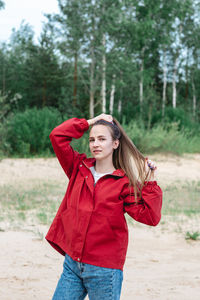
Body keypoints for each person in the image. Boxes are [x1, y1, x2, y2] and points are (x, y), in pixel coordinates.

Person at [46, 113, 162, 300]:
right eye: (92, 139)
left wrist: (150, 182)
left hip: (105, 270)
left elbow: (150, 217)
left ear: (115, 143)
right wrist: (91, 121)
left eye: (102, 139)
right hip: (72, 265)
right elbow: (57, 136)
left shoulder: (124, 183)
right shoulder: (78, 167)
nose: (95, 144)